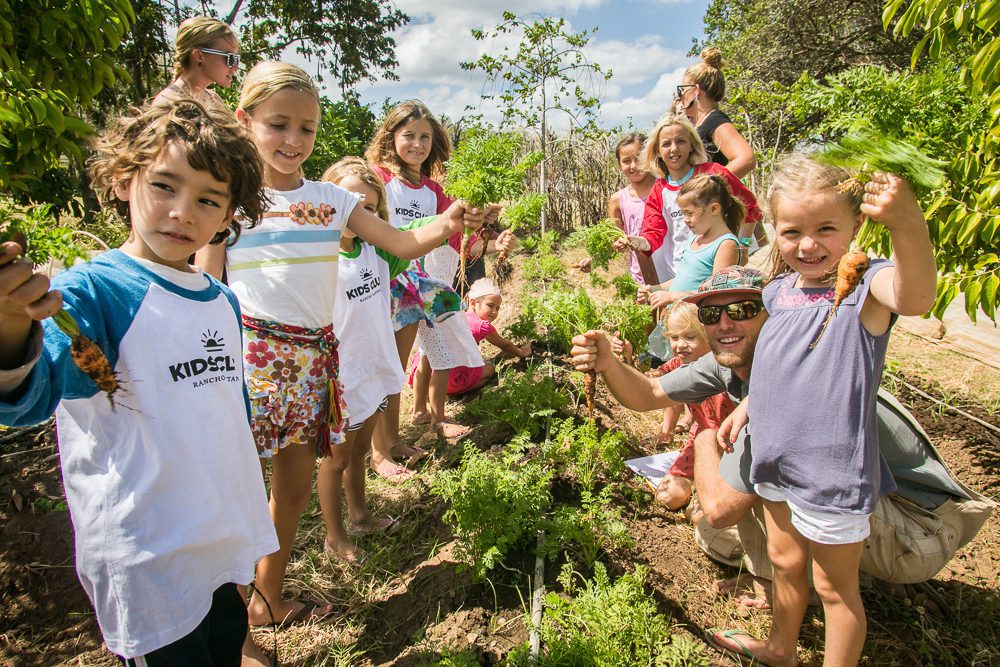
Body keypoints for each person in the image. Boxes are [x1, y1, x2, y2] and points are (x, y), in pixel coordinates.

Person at [194, 63, 491, 640]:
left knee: (294, 492)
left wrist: (448, 221)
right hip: (247, 361)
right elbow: (209, 287)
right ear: (243, 120)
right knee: (234, 497)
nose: (293, 140)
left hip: (313, 363)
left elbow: (402, 242)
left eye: (306, 128)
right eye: (278, 124)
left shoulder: (331, 200)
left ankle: (268, 600)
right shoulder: (230, 201)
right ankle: (229, 621)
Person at [571, 263, 994, 664]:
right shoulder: (731, 363)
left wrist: (702, 433)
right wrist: (609, 362)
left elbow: (720, 510)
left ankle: (805, 595)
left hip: (921, 527)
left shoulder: (796, 382)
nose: (724, 324)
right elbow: (648, 393)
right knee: (761, 492)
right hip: (881, 506)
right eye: (712, 313)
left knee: (742, 494)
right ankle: (783, 634)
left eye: (741, 310)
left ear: (775, 316)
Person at [0, 100, 278, 664]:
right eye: (164, 186)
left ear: (228, 216)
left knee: (224, 649)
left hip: (218, 540)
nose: (182, 212)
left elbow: (226, 408)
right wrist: (9, 322)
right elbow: (28, 396)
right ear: (124, 181)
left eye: (207, 199)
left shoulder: (220, 298)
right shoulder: (94, 293)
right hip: (149, 560)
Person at [708, 155, 937, 666]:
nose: (808, 245)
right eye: (792, 232)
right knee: (785, 563)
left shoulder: (863, 286)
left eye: (826, 229)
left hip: (830, 473)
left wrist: (907, 223)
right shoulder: (780, 290)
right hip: (776, 460)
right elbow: (777, 361)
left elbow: (916, 296)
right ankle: (781, 648)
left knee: (835, 589)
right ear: (773, 229)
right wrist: (750, 409)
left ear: (856, 225)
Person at [317, 157, 413, 563]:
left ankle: (360, 514)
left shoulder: (376, 252)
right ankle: (334, 535)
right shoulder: (319, 258)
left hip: (373, 367)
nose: (360, 215)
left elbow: (413, 235)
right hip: (342, 376)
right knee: (336, 459)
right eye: (350, 203)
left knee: (359, 453)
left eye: (370, 209)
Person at [626, 114, 760, 284]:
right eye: (666, 144)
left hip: (719, 271)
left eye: (680, 141)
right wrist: (637, 242)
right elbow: (653, 234)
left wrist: (744, 245)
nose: (674, 149)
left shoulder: (713, 174)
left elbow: (751, 207)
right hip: (680, 275)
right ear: (658, 151)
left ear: (691, 145)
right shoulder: (659, 190)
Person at [652, 302, 735, 508]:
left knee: (703, 514)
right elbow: (652, 381)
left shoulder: (723, 366)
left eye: (690, 337)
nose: (680, 345)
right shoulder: (680, 364)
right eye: (674, 337)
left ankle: (703, 496)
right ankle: (696, 487)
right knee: (667, 498)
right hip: (700, 440)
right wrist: (626, 359)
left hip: (732, 444)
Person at [410, 278, 531, 400]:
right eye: (490, 306)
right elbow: (505, 345)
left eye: (498, 308)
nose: (494, 312)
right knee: (490, 368)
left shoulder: (458, 315)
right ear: (473, 303)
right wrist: (521, 353)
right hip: (447, 377)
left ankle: (427, 391)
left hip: (421, 371)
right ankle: (451, 393)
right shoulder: (482, 326)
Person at [640, 173, 746, 309]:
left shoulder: (726, 244)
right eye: (683, 214)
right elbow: (682, 279)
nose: (685, 219)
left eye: (690, 213)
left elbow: (717, 293)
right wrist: (653, 289)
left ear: (714, 209)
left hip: (695, 324)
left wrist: (673, 297)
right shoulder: (694, 240)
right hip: (676, 319)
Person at [676, 47, 755, 180]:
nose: (680, 95)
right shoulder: (701, 123)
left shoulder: (714, 120)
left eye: (682, 89)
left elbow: (746, 159)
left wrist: (709, 186)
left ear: (696, 90)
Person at [153, 16, 240, 108]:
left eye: (236, 58)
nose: (235, 66)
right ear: (199, 56)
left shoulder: (214, 100)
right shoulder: (168, 102)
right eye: (229, 58)